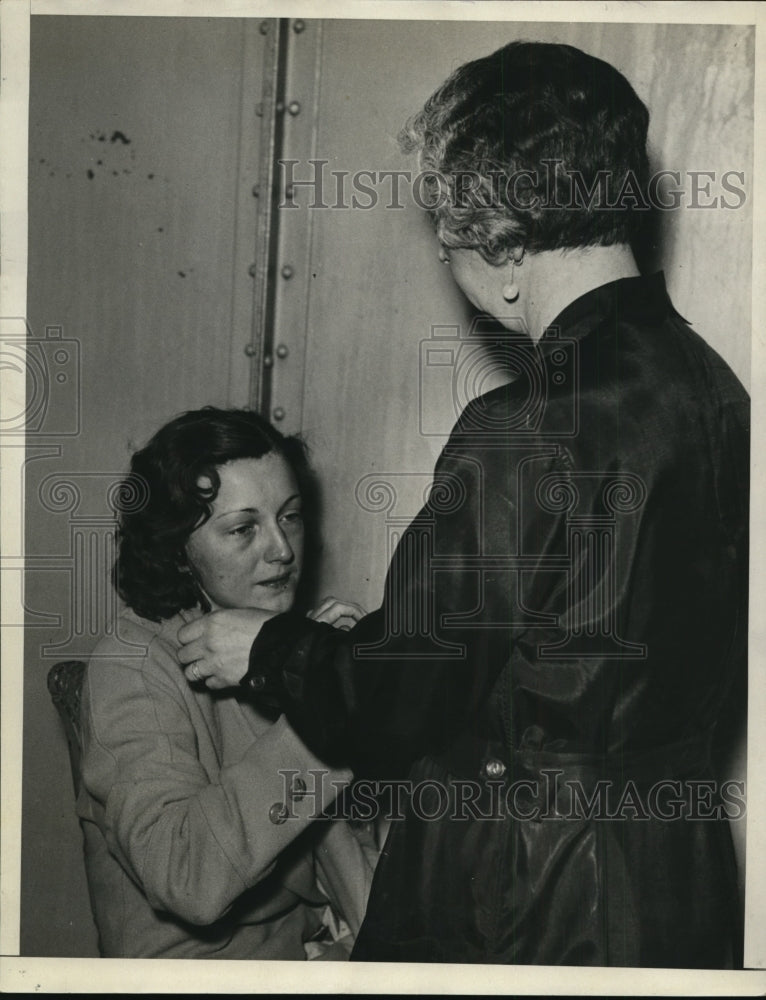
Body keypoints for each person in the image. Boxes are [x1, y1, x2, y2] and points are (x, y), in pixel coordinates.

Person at [177, 42, 750, 967]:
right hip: (675, 882)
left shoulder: (522, 427)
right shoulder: (718, 393)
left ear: (505, 246)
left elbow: (407, 692)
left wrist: (269, 645)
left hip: (526, 894)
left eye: (450, 247)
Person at [77, 406, 375, 959]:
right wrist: (327, 708)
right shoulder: (133, 666)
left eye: (291, 516)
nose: (282, 549)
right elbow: (188, 877)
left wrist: (350, 675)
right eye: (244, 528)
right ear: (178, 551)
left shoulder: (280, 642)